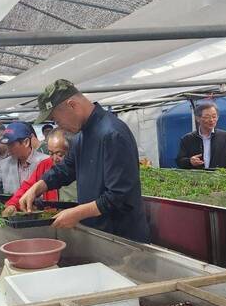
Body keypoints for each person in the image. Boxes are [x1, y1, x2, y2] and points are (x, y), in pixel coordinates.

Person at [19, 79, 150, 242]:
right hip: (98, 234)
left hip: (121, 237)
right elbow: (65, 169)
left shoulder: (112, 134)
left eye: (56, 119)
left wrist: (76, 213)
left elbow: (119, 196)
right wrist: (37, 187)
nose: (57, 125)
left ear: (72, 105)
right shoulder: (81, 136)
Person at [2, 128, 77, 217]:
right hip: (54, 219)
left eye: (60, 154)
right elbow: (28, 186)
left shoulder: (81, 167)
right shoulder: (45, 165)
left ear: (72, 151)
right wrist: (12, 204)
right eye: (51, 153)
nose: (55, 159)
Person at [176, 102, 226, 170]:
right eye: (207, 117)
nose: (211, 120)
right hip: (196, 179)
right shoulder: (187, 139)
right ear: (197, 119)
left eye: (214, 116)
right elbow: (179, 161)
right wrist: (190, 161)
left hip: (219, 178)